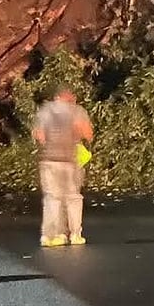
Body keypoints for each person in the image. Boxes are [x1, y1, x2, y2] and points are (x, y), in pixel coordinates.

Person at [32, 86, 94, 247]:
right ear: (70, 98)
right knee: (73, 198)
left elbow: (39, 135)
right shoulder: (76, 111)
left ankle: (51, 236)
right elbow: (87, 133)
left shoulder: (45, 111)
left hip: (49, 160)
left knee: (52, 198)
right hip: (69, 161)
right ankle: (75, 235)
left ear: (56, 97)